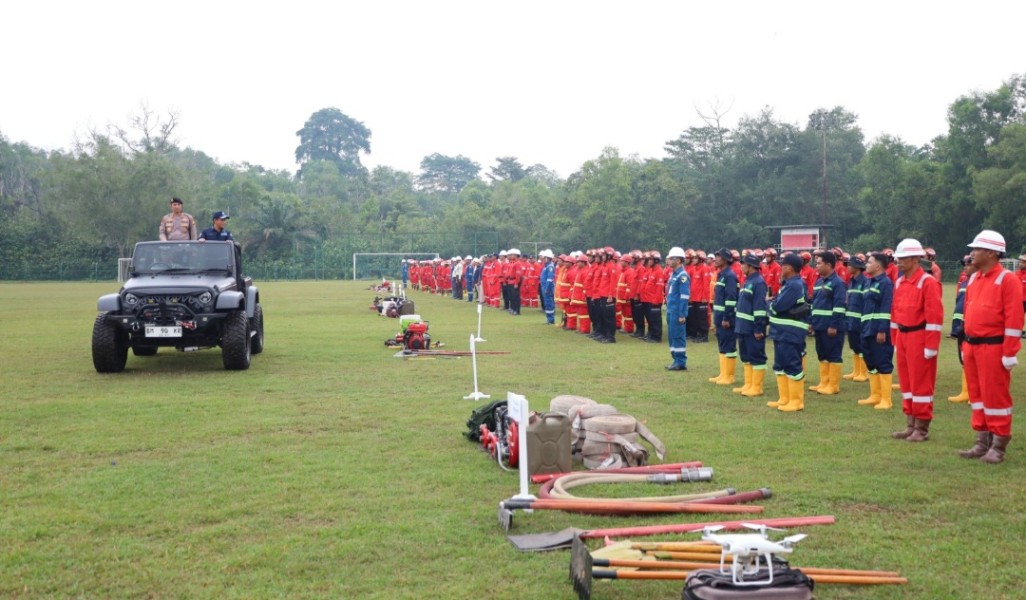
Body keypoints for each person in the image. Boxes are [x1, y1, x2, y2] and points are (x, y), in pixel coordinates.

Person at [958, 230, 1024, 463]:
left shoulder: (1008, 280)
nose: (972, 253)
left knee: (995, 395)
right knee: (977, 395)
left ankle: (999, 443)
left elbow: (1014, 320)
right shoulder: (974, 279)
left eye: (976, 249)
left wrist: (1009, 352)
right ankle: (981, 440)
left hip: (993, 347)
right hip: (973, 345)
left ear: (992, 253)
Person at [890, 238, 944, 441]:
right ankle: (910, 424)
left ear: (915, 259)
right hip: (904, 337)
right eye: (898, 258)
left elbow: (935, 317)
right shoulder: (900, 281)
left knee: (921, 383)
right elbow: (895, 312)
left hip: (919, 337)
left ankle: (922, 427)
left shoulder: (927, 282)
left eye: (903, 259)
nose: (899, 262)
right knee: (907, 381)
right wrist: (895, 339)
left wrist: (931, 345)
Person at [767, 253, 809, 412]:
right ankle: (784, 398)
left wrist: (771, 305)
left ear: (790, 268)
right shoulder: (789, 283)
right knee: (780, 365)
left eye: (783, 265)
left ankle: (796, 401)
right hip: (781, 330)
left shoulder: (795, 285)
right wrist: (773, 304)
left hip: (790, 331)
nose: (780, 268)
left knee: (792, 365)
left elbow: (778, 306)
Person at [857, 252, 895, 410]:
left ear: (878, 266)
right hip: (866, 328)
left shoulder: (885, 283)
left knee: (882, 362)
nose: (866, 264)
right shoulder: (868, 283)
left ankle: (886, 399)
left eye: (869, 262)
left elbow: (886, 307)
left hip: (878, 330)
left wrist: (882, 330)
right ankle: (875, 395)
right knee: (870, 362)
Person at [808, 251, 847, 396]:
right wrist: (811, 321)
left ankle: (833, 385)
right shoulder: (819, 282)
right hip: (819, 325)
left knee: (833, 355)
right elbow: (814, 304)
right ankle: (824, 383)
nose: (816, 266)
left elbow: (839, 306)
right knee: (822, 354)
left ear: (829, 265)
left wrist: (834, 325)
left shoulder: (838, 283)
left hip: (831, 327)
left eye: (818, 263)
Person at [733, 253, 768, 396]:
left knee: (756, 356)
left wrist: (759, 328)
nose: (741, 266)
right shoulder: (747, 281)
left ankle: (757, 387)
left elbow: (759, 308)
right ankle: (748, 384)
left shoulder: (759, 283)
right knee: (746, 356)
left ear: (751, 266)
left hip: (752, 327)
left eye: (744, 264)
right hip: (743, 326)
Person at [708, 248, 739, 385]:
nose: (716, 259)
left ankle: (730, 376)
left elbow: (731, 299)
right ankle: (723, 374)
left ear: (725, 260)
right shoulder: (721, 274)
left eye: (718, 257)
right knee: (722, 344)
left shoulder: (730, 276)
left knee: (729, 345)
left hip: (726, 318)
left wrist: (727, 317)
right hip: (720, 316)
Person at [947, 255, 975, 403]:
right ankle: (965, 392)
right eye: (964, 264)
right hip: (960, 326)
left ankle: (973, 393)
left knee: (972, 362)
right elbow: (959, 306)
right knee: (964, 360)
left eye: (968, 264)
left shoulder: (977, 283)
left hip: (970, 326)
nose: (965, 266)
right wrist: (954, 328)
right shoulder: (964, 282)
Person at [841, 254, 870, 383]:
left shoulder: (865, 282)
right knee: (854, 345)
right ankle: (856, 371)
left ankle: (864, 372)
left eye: (850, 265)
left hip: (860, 320)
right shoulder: (851, 281)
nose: (847, 267)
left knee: (861, 346)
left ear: (857, 268)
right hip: (851, 320)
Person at [664, 247, 690, 371]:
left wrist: (682, 314)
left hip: (677, 311)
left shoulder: (682, 276)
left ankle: (680, 361)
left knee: (678, 336)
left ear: (678, 260)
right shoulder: (674, 274)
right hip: (671, 310)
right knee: (672, 336)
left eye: (671, 258)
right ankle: (675, 360)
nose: (668, 260)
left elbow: (684, 297)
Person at [539, 250, 556, 324]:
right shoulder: (546, 266)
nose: (543, 259)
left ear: (548, 258)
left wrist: (547, 288)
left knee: (549, 303)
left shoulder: (550, 267)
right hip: (544, 287)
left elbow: (549, 279)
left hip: (547, 287)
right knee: (546, 303)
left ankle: (551, 319)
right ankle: (548, 318)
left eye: (544, 258)